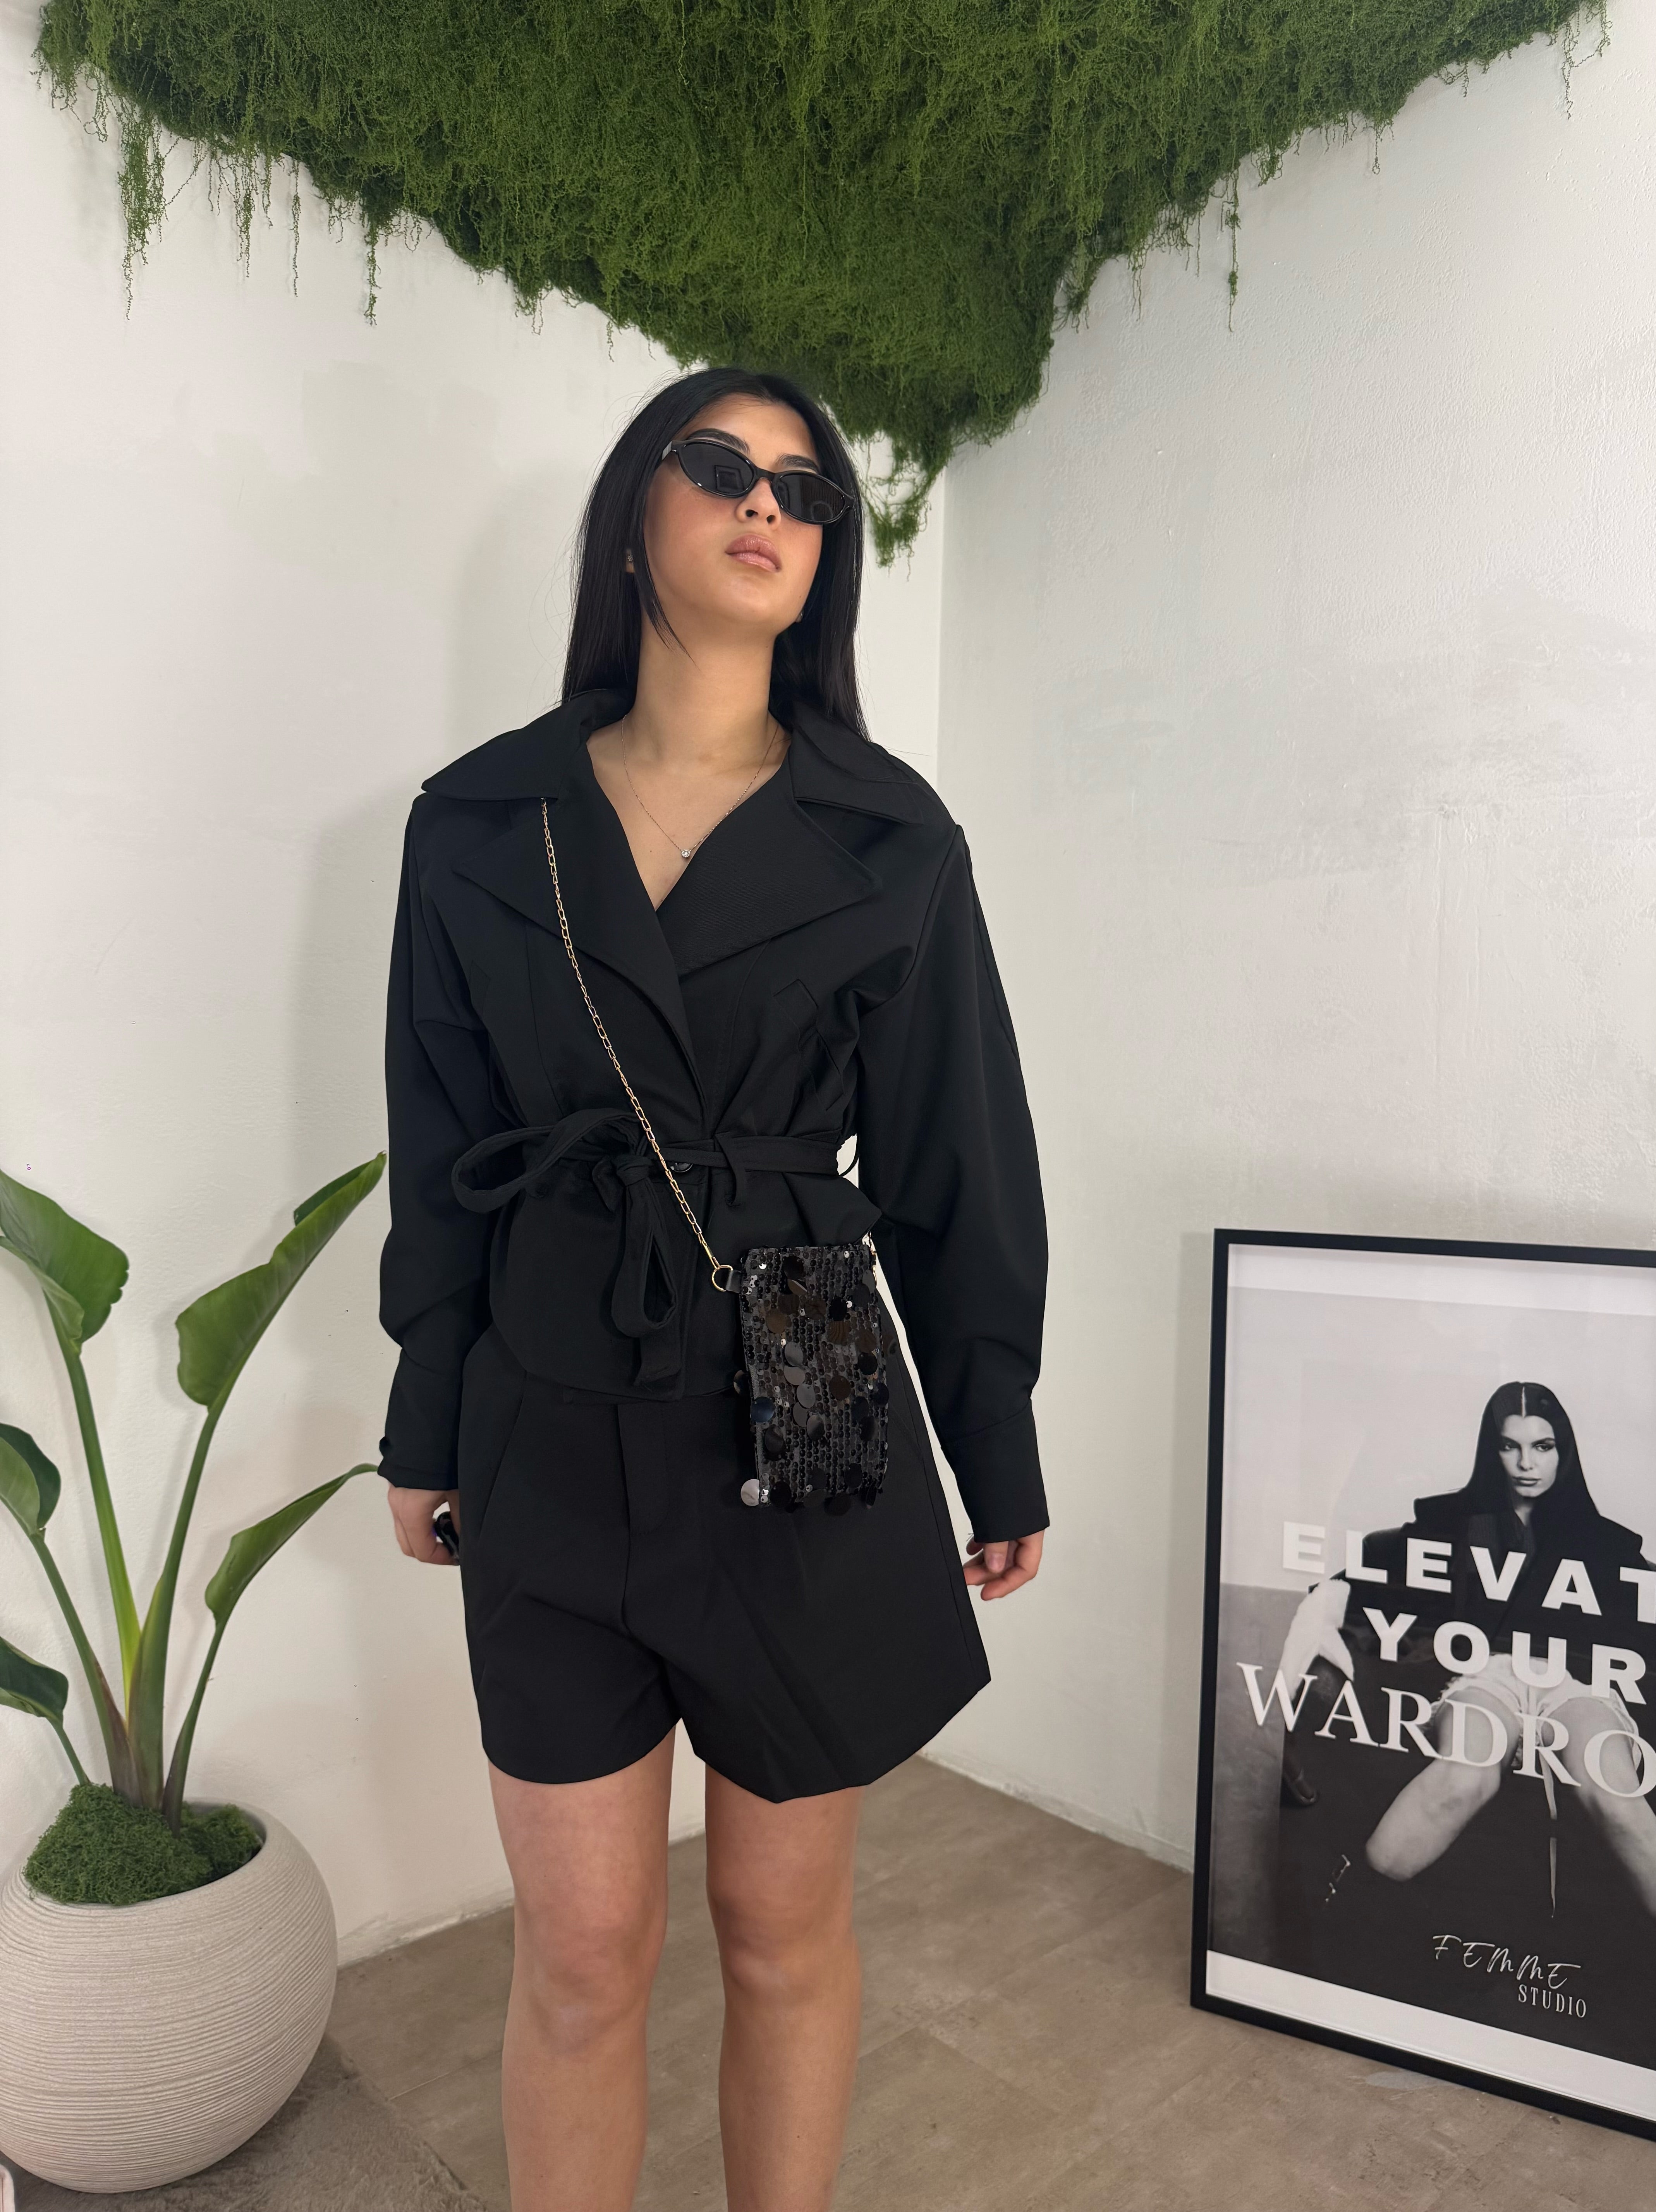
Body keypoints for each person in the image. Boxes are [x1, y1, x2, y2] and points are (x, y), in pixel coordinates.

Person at [374, 365, 1050, 2212]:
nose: (769, 505)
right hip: (548, 1399)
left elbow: (957, 1164)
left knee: (779, 1925)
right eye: (721, 467)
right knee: (584, 1955)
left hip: (807, 1364)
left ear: (826, 559)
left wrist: (993, 1439)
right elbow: (440, 1144)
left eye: (808, 492)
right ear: (632, 521)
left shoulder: (894, 840)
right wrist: (424, 1416)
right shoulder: (481, 822)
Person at [1279, 1382, 1656, 1917]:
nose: (1526, 1463)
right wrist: (1321, 1617)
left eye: (1543, 1447)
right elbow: (1355, 1579)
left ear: (1563, 1451)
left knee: (1617, 1796)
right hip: (1489, 1678)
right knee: (1464, 1776)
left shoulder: (1605, 1541)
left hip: (1578, 1684)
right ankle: (1343, 1905)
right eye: (1510, 1446)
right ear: (1491, 1449)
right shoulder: (1451, 1521)